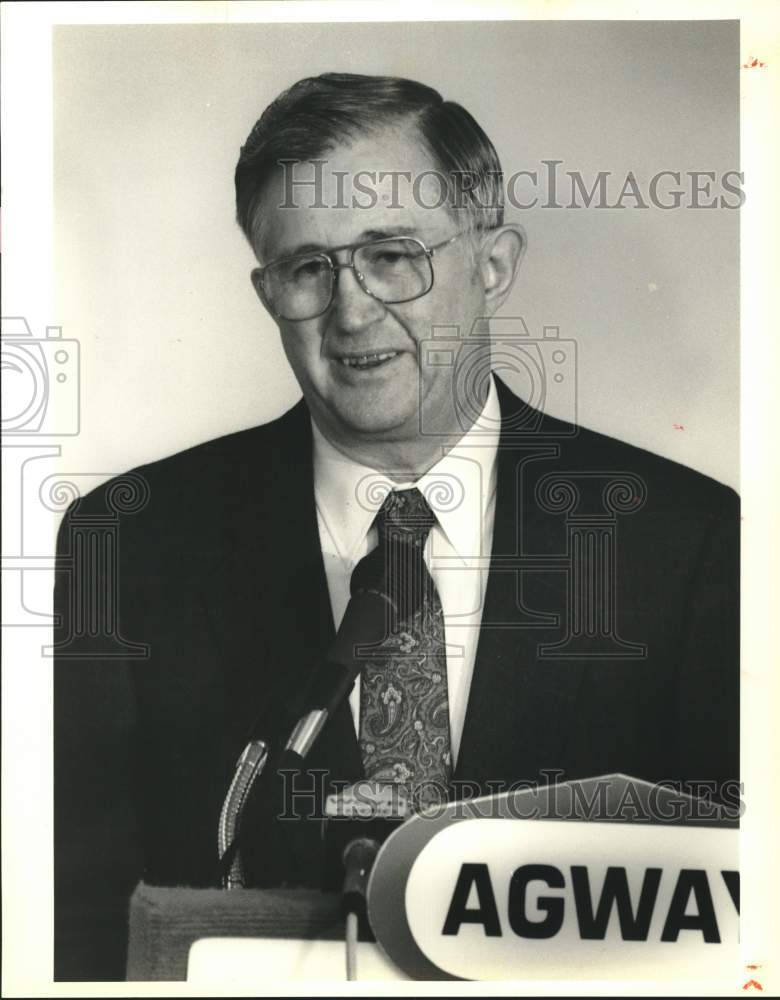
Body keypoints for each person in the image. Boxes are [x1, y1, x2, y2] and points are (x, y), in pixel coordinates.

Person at [53, 73, 739, 980]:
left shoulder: (689, 543)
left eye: (391, 255)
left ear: (492, 264)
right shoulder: (129, 545)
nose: (351, 311)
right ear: (267, 294)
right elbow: (75, 918)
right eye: (308, 268)